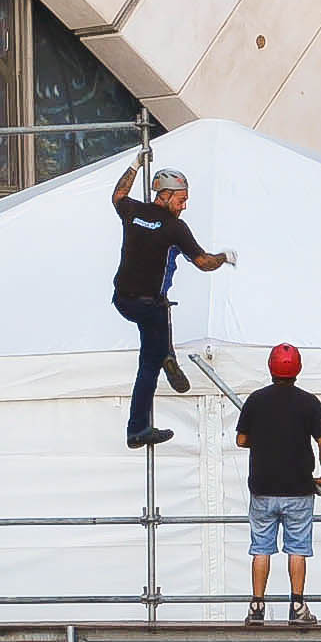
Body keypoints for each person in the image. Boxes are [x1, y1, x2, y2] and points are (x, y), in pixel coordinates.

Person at [110, 152, 237, 448]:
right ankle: (138, 428)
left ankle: (167, 354)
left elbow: (118, 194)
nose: (184, 205)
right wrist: (226, 257)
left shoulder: (133, 212)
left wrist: (134, 165)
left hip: (123, 299)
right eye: (181, 199)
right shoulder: (174, 228)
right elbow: (204, 262)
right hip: (146, 303)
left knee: (159, 312)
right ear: (164, 195)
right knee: (148, 364)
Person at [235, 343, 321, 625]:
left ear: (270, 367)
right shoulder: (310, 402)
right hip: (299, 488)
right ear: (298, 369)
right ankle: (298, 607)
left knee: (261, 547)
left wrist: (265, 440)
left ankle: (256, 607)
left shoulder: (255, 400)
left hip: (263, 488)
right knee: (298, 548)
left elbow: (241, 440)